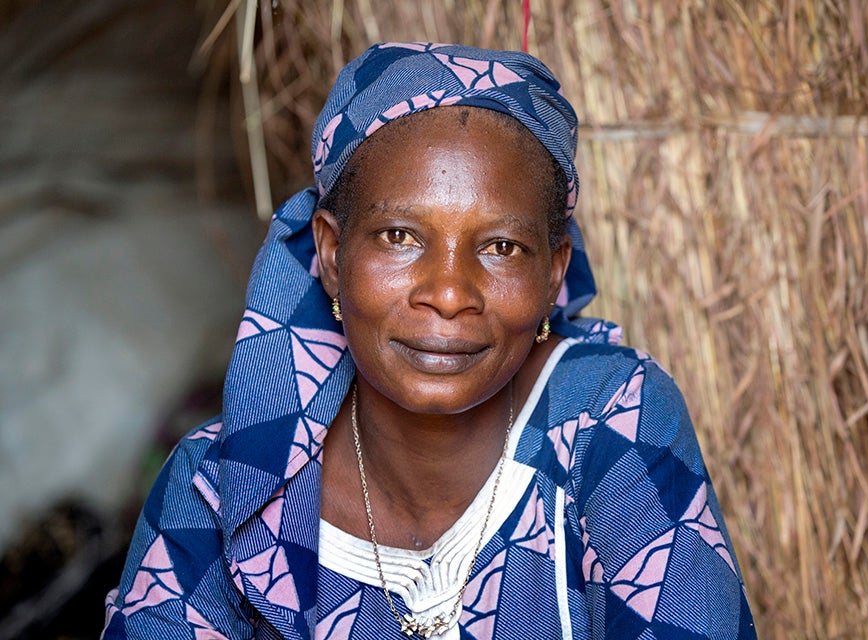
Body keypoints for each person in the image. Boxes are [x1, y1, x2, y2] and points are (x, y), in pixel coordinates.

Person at [102, 42, 756, 639]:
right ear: (332, 253)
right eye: (400, 237)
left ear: (553, 271)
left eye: (502, 247)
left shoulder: (607, 423)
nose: (448, 293)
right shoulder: (219, 491)